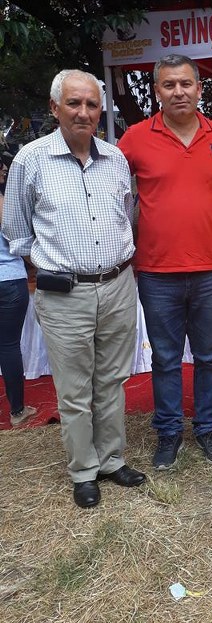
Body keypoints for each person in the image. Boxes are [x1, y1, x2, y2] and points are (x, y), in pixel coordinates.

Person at [2, 70, 145, 508]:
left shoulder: (115, 158)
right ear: (55, 108)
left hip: (118, 286)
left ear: (101, 111)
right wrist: (55, 265)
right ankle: (84, 470)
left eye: (92, 104)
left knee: (112, 380)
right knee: (75, 389)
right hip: (64, 294)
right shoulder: (30, 160)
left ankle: (112, 460)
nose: (84, 112)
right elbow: (16, 231)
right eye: (74, 103)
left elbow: (128, 216)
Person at [118, 54, 212, 470]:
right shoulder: (134, 139)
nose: (178, 92)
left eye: (186, 84)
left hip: (211, 268)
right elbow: (112, 192)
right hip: (156, 271)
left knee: (209, 356)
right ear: (157, 91)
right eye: (169, 85)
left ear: (199, 88)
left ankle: (208, 429)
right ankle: (168, 433)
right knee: (165, 359)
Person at [0, 153, 37, 427]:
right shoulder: (2, 201)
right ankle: (17, 411)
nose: (4, 168)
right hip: (9, 279)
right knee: (9, 344)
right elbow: (17, 238)